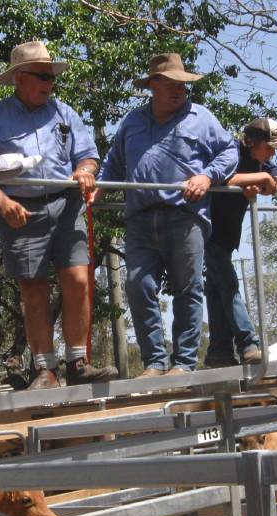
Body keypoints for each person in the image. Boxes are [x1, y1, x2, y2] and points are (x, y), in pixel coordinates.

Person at [0, 41, 117, 389]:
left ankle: (77, 363)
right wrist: (1, 202)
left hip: (67, 204)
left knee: (79, 279)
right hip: (20, 209)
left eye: (52, 76)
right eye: (43, 75)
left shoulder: (65, 112)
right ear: (20, 77)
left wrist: (85, 170)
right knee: (32, 288)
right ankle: (44, 370)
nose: (50, 82)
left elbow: (88, 155)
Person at [101, 52, 238, 377]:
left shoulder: (202, 118)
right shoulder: (132, 122)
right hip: (139, 218)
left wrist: (207, 176)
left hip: (185, 215)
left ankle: (184, 362)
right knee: (137, 285)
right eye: (173, 84)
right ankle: (155, 362)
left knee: (187, 288)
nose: (180, 90)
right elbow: (114, 163)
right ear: (153, 86)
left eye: (184, 85)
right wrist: (98, 191)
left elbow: (230, 151)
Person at [201, 117, 277, 368]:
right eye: (269, 147)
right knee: (228, 284)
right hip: (209, 230)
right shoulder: (231, 151)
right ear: (251, 143)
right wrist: (255, 180)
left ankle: (219, 351)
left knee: (217, 290)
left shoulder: (261, 162)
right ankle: (248, 343)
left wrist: (264, 183)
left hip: (228, 235)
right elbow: (221, 178)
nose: (272, 153)